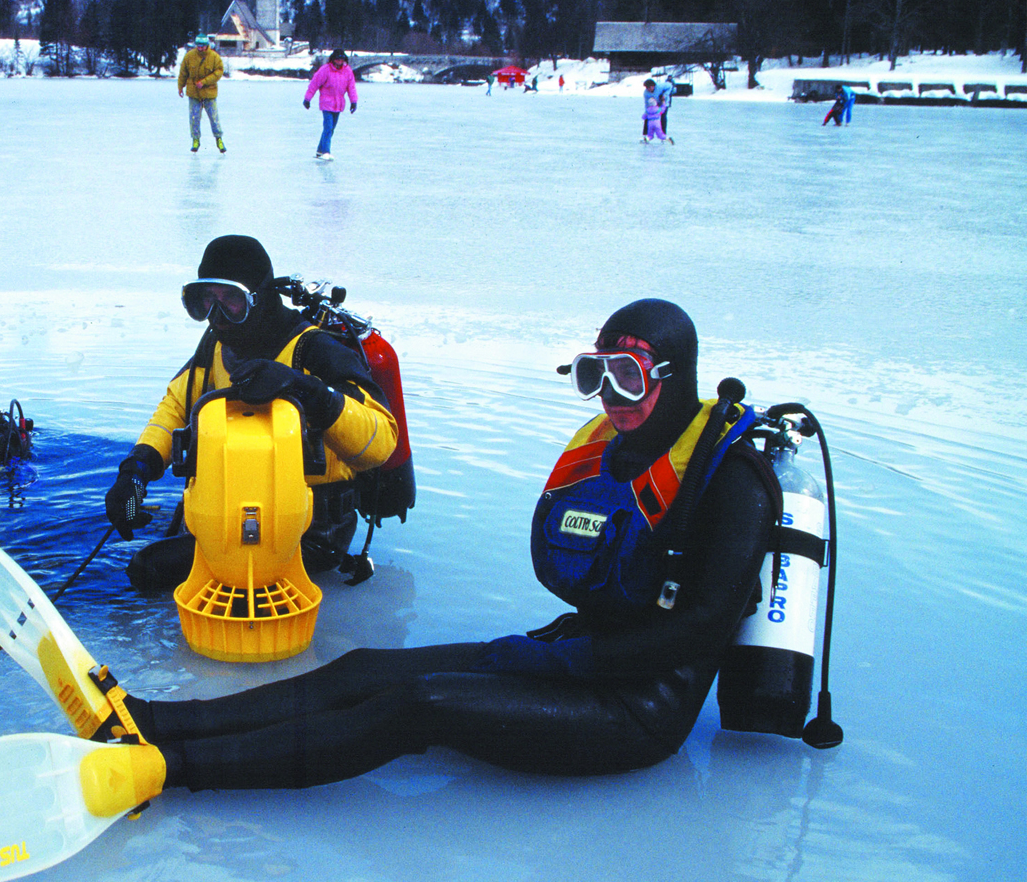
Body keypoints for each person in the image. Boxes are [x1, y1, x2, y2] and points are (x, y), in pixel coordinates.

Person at [93, 299, 779, 795]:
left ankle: (172, 768)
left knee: (416, 705)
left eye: (627, 379)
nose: (609, 399)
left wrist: (575, 660)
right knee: (366, 667)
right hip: (578, 655)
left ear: (674, 373)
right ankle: (156, 718)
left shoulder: (733, 479)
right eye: (594, 375)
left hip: (637, 709)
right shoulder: (622, 444)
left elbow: (697, 632)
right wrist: (561, 654)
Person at [104, 234, 398, 592]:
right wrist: (135, 470)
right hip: (232, 516)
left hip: (312, 531)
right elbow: (175, 409)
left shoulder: (313, 350)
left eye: (232, 300)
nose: (218, 315)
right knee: (146, 567)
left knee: (149, 569)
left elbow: (382, 440)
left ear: (259, 298)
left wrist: (305, 390)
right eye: (206, 302)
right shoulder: (215, 347)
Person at [303, 49, 358, 159]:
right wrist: (307, 99)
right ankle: (326, 152)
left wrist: (353, 102)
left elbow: (351, 88)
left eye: (341, 59)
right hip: (327, 104)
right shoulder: (325, 70)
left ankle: (320, 150)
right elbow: (314, 84)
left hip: (339, 104)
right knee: (328, 127)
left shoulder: (347, 71)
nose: (339, 61)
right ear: (333, 59)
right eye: (337, 59)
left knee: (331, 129)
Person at [177, 34, 225, 154]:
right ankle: (195, 140)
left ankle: (219, 139)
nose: (200, 48)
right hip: (193, 93)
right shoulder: (189, 56)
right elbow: (183, 72)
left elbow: (219, 72)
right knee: (194, 118)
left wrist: (204, 82)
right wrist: (180, 86)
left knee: (214, 118)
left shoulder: (214, 57)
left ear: (207, 46)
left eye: (202, 46)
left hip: (209, 94)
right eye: (198, 46)